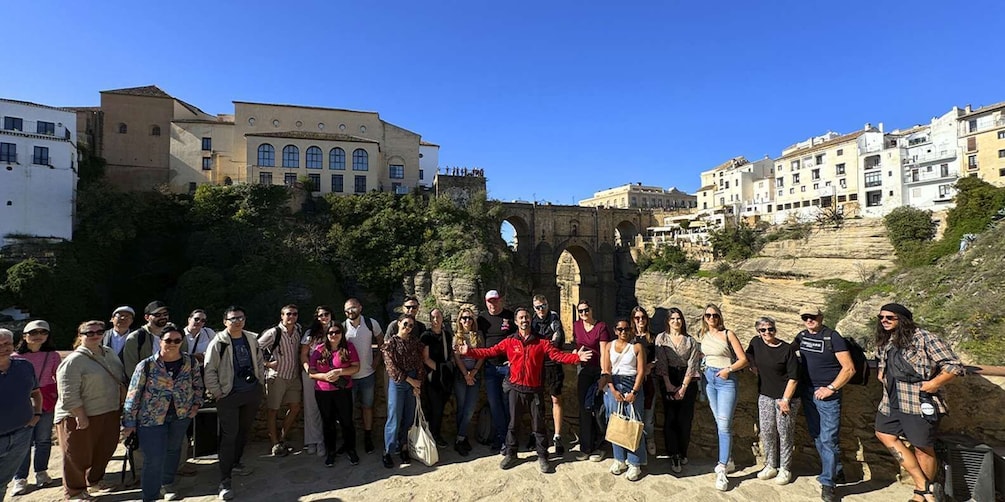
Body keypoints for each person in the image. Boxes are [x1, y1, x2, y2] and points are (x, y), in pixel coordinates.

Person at [459, 307, 592, 473]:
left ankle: (543, 456)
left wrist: (576, 357)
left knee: (539, 426)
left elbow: (558, 356)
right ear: (516, 322)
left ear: (530, 320)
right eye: (521, 317)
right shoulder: (510, 341)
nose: (524, 320)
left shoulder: (541, 342)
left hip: (534, 390)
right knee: (512, 424)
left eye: (527, 317)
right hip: (515, 388)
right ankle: (511, 453)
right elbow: (490, 351)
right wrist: (469, 351)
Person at [874, 303, 964, 502]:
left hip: (918, 400)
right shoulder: (886, 339)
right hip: (891, 400)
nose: (884, 321)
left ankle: (920, 494)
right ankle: (924, 484)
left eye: (890, 317)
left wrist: (933, 384)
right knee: (884, 433)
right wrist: (882, 371)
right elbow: (882, 359)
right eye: (881, 317)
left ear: (902, 319)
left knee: (922, 447)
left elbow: (954, 366)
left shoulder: (925, 338)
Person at [121, 323, 204, 502]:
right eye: (168, 340)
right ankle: (149, 496)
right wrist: (129, 423)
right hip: (151, 419)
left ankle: (167, 484)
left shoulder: (190, 362)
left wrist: (196, 405)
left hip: (181, 415)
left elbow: (198, 385)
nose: (172, 343)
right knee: (154, 459)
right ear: (160, 341)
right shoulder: (146, 365)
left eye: (177, 340)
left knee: (174, 450)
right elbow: (133, 395)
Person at [55, 320, 125, 501]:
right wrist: (80, 414)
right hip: (79, 414)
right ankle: (75, 492)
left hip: (109, 411)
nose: (95, 335)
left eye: (99, 331)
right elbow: (67, 392)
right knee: (77, 455)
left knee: (105, 449)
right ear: (80, 336)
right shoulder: (74, 360)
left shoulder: (109, 353)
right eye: (89, 332)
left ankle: (94, 481)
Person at [795, 305, 856, 502]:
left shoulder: (832, 337)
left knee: (829, 438)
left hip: (827, 395)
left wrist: (831, 388)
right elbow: (785, 354)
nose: (809, 320)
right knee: (818, 436)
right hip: (808, 391)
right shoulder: (801, 336)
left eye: (812, 316)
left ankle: (828, 483)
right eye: (805, 317)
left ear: (820, 317)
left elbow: (849, 369)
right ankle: (837, 471)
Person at [203, 306, 264, 501]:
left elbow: (260, 361)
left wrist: (260, 384)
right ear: (225, 322)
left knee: (244, 430)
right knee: (230, 435)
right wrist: (217, 392)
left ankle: (236, 463)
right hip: (228, 395)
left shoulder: (251, 339)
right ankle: (225, 479)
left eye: (240, 318)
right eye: (233, 318)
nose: (237, 321)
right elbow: (209, 369)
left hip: (251, 392)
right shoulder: (218, 343)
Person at [698, 303, 748, 491]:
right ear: (704, 318)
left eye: (715, 315)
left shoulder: (728, 334)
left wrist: (728, 369)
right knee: (720, 424)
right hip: (709, 381)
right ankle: (729, 460)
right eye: (708, 315)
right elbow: (704, 354)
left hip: (726, 381)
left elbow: (743, 359)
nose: (712, 318)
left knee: (725, 423)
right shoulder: (703, 335)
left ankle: (722, 469)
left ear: (720, 317)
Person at [745, 316, 799, 485]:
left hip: (785, 397)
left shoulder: (786, 349)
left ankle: (785, 468)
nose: (767, 332)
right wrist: (753, 366)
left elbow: (794, 377)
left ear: (775, 330)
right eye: (763, 330)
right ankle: (770, 465)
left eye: (770, 329)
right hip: (765, 395)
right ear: (758, 332)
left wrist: (785, 400)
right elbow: (748, 353)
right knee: (767, 431)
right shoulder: (756, 342)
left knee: (785, 433)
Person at [10, 321, 60, 496]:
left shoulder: (53, 355)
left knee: (44, 440)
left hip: (46, 400)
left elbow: (58, 378)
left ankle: (41, 473)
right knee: (23, 442)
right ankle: (20, 478)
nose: (38, 335)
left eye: (43, 332)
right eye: (33, 332)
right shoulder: (14, 357)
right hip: (22, 402)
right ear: (25, 336)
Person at [652, 307, 700, 473]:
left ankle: (683, 451)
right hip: (669, 377)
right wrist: (668, 384)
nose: (676, 321)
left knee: (685, 419)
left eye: (678, 318)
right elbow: (661, 362)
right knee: (670, 417)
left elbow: (693, 364)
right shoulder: (662, 338)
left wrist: (684, 387)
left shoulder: (691, 341)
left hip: (688, 380)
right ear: (668, 321)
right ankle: (674, 454)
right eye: (672, 319)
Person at [308, 323, 360, 467]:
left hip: (343, 390)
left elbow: (356, 367)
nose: (333, 335)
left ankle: (351, 449)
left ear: (341, 333)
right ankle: (331, 452)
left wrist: (339, 372)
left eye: (337, 332)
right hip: (323, 391)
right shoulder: (319, 350)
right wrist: (324, 376)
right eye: (330, 333)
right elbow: (311, 372)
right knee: (328, 422)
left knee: (347, 421)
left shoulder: (348, 348)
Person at [0, 328, 42, 501]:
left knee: (3, 482)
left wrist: (37, 414)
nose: (3, 347)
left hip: (21, 435)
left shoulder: (24, 366)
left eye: (7, 343)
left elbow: (36, 393)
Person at [380, 314, 427, 469]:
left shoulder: (414, 342)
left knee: (408, 417)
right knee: (394, 418)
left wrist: (418, 383)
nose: (407, 327)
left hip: (413, 382)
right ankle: (388, 451)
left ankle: (404, 447)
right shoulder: (390, 343)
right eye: (405, 324)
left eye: (411, 326)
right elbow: (391, 368)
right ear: (399, 323)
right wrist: (411, 381)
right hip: (399, 383)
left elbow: (420, 363)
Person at [603, 318, 648, 481]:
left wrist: (634, 391)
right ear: (615, 330)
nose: (623, 332)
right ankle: (619, 459)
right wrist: (613, 390)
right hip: (614, 385)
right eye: (620, 329)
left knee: (634, 423)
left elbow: (641, 371)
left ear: (631, 330)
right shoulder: (609, 346)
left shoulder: (637, 347)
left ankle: (635, 462)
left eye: (626, 329)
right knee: (616, 422)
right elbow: (607, 370)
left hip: (632, 385)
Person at [257, 304, 303, 457]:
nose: (292, 317)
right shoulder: (273, 333)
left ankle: (282, 437)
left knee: (295, 407)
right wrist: (267, 364)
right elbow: (256, 349)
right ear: (282, 316)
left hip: (293, 376)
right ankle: (275, 443)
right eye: (288, 314)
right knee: (273, 410)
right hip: (277, 376)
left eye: (294, 314)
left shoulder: (298, 331)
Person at [342, 297, 384, 454]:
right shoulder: (342, 327)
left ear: (360, 307)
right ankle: (349, 440)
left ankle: (368, 437)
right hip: (349, 377)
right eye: (347, 309)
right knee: (348, 410)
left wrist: (378, 358)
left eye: (353, 308)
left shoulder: (371, 323)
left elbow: (381, 341)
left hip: (367, 374)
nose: (350, 311)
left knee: (368, 407)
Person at [572, 299, 612, 462]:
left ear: (592, 309)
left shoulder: (601, 327)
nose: (583, 314)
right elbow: (576, 346)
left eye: (586, 310)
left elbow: (604, 352)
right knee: (584, 409)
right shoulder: (576, 326)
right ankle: (586, 447)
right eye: (580, 311)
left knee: (599, 409)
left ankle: (601, 446)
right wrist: (575, 353)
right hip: (583, 370)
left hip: (598, 371)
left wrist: (604, 374)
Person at [477, 289, 515, 453]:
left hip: (507, 368)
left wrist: (513, 360)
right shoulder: (482, 318)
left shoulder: (510, 316)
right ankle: (501, 438)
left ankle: (509, 438)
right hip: (490, 367)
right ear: (486, 302)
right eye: (490, 301)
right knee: (495, 404)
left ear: (500, 300)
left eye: (495, 300)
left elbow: (517, 339)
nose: (493, 304)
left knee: (508, 403)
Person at [531, 294, 566, 455]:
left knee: (555, 398)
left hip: (552, 364)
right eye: (538, 307)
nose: (541, 309)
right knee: (537, 401)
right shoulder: (532, 320)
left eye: (543, 306)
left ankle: (558, 436)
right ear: (534, 308)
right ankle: (537, 433)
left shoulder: (554, 318)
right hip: (537, 365)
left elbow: (557, 340)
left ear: (547, 304)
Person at [124, 301, 188, 381]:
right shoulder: (135, 338)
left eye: (165, 314)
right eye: (157, 315)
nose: (162, 317)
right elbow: (130, 368)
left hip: (175, 384)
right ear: (147, 317)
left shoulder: (177, 333)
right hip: (148, 386)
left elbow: (185, 359)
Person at [299, 306, 333, 457]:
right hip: (312, 373)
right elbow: (304, 354)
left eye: (326, 314)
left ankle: (323, 441)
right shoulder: (310, 333)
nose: (324, 317)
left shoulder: (336, 330)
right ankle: (312, 440)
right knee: (311, 407)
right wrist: (308, 369)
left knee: (327, 408)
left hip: (329, 373)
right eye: (320, 315)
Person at [419, 308, 453, 448]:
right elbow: (425, 359)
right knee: (434, 408)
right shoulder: (426, 336)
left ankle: (435, 435)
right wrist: (441, 369)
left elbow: (450, 354)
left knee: (440, 408)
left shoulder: (447, 335)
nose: (435, 320)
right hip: (432, 377)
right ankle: (432, 436)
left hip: (445, 378)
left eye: (438, 317)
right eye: (433, 317)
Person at [451, 307, 483, 456]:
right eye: (464, 318)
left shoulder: (478, 335)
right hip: (461, 376)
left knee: (469, 409)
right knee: (462, 407)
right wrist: (466, 374)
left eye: (469, 318)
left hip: (475, 375)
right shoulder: (457, 336)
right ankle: (461, 438)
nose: (466, 321)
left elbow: (482, 355)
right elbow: (456, 357)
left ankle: (460, 437)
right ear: (459, 320)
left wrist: (474, 372)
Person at [630, 306, 657, 457]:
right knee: (633, 414)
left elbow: (658, 357)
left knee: (648, 414)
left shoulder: (653, 337)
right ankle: (635, 442)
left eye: (643, 318)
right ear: (633, 320)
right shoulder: (628, 337)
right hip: (632, 379)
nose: (641, 320)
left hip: (649, 379)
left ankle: (650, 438)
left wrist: (650, 366)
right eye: (637, 318)